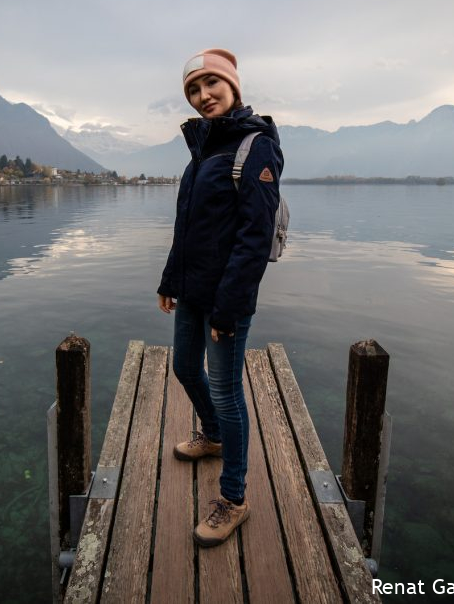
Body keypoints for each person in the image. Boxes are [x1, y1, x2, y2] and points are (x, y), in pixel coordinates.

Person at [156, 48, 283, 547]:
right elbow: (188, 226)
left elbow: (254, 238)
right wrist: (170, 280)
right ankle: (211, 437)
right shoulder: (204, 148)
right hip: (191, 289)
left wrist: (227, 311)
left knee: (230, 395)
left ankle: (233, 498)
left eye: (211, 84)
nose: (202, 96)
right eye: (193, 89)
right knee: (185, 368)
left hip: (226, 297)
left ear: (233, 87)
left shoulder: (257, 147)